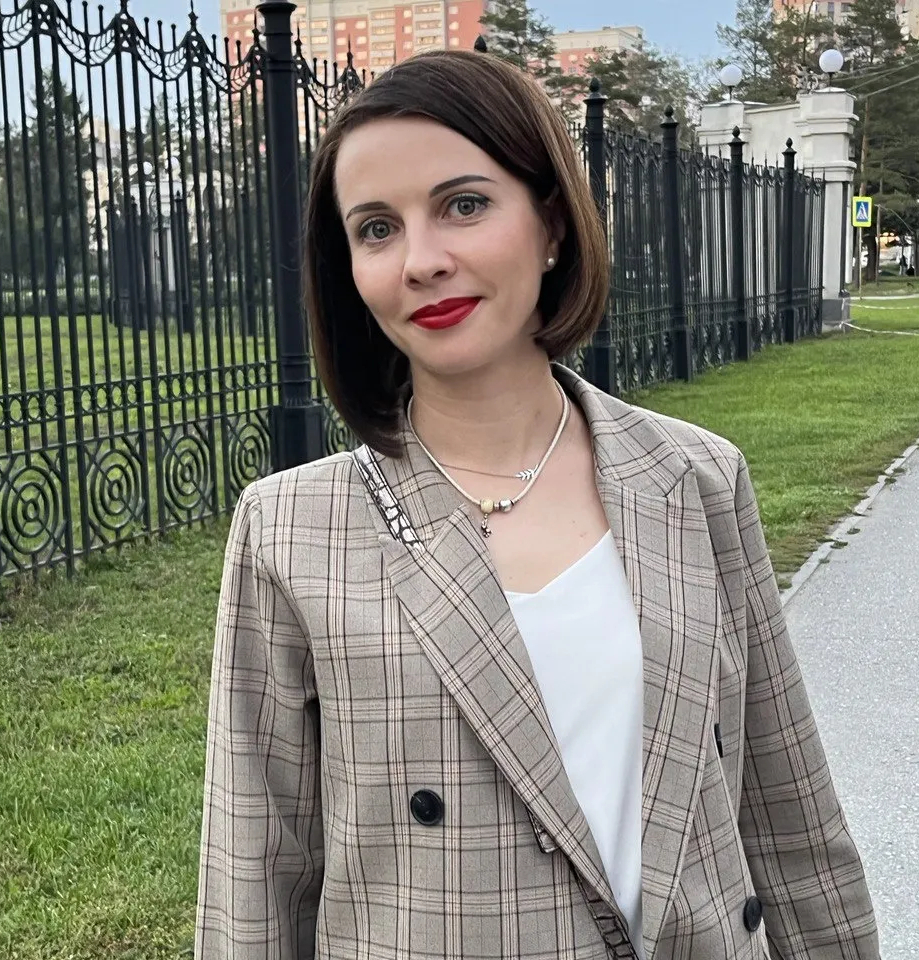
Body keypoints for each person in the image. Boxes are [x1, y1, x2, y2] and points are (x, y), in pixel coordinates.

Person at [194, 49, 880, 960]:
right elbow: (254, 881)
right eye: (376, 229)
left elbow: (789, 813)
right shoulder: (290, 530)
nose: (422, 261)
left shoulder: (697, 478)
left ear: (551, 222)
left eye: (463, 205)